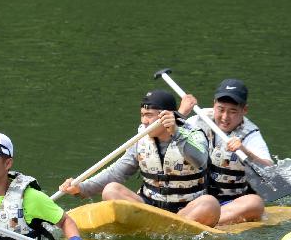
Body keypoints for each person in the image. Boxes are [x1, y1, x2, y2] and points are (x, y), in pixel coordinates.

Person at [59, 90, 220, 227]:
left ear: (166, 116)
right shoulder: (141, 138)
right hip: (149, 208)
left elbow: (201, 161)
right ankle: (161, 228)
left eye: (149, 115)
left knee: (210, 204)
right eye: (142, 115)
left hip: (186, 209)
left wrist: (176, 133)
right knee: (111, 190)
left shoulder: (194, 134)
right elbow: (117, 172)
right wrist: (82, 188)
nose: (144, 121)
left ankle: (171, 228)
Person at [178, 78, 273, 225]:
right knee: (205, 203)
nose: (224, 117)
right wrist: (181, 114)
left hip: (227, 204)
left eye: (232, 111)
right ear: (213, 104)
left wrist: (245, 151)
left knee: (255, 203)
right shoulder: (198, 119)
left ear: (244, 110)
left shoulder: (250, 134)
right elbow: (166, 138)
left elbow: (269, 171)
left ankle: (205, 222)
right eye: (220, 109)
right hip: (192, 199)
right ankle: (193, 218)